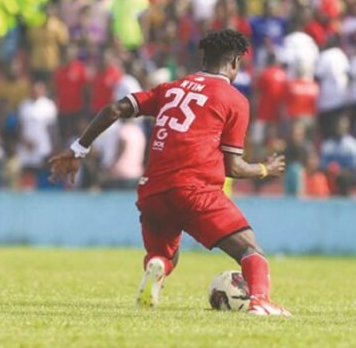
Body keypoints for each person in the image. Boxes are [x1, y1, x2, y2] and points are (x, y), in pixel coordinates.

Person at [48, 29, 290, 316]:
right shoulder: (234, 99)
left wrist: (79, 149)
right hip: (196, 191)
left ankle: (158, 268)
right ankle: (260, 301)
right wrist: (265, 169)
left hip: (152, 191)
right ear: (235, 62)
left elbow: (115, 109)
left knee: (165, 256)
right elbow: (233, 167)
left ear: (203, 57)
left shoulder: (170, 88)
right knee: (251, 251)